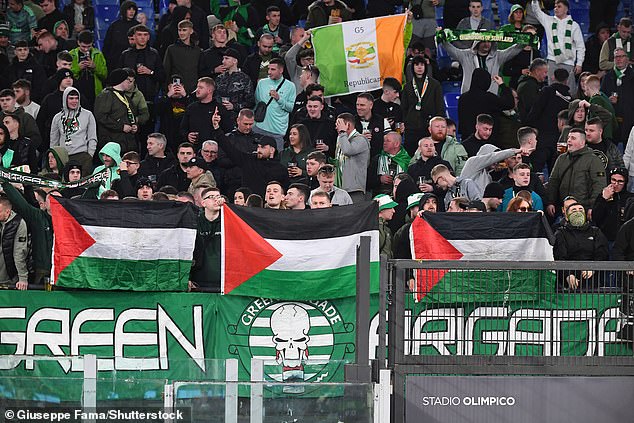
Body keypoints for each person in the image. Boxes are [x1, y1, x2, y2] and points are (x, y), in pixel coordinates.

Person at [211, 109, 288, 196]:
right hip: (234, 184)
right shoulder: (247, 158)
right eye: (245, 124)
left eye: (250, 124)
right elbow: (228, 149)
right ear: (238, 121)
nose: (248, 127)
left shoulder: (279, 168)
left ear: (272, 150)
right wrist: (245, 159)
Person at [528, 0, 585, 94]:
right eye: (555, 6)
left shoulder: (574, 26)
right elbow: (536, 11)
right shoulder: (549, 21)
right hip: (552, 61)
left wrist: (579, 63)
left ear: (566, 9)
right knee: (552, 91)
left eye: (559, 6)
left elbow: (580, 46)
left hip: (568, 62)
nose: (556, 8)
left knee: (569, 91)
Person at [546, 128, 605, 218]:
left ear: (582, 142)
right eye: (568, 138)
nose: (569, 140)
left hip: (583, 209)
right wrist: (550, 202)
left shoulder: (593, 160)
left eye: (573, 138)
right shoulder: (561, 158)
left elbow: (599, 185)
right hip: (563, 209)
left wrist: (592, 207)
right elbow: (553, 181)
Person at [554, 202, 609, 290]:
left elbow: (602, 252)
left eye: (580, 210)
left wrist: (592, 268)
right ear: (566, 216)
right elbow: (559, 256)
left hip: (592, 279)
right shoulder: (561, 233)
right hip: (568, 281)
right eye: (574, 210)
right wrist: (568, 274)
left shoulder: (595, 231)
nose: (577, 212)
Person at [442, 36, 524, 94]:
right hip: (470, 96)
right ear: (477, 42)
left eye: (489, 41)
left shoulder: (497, 56)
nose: (486, 44)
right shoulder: (466, 55)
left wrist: (526, 39)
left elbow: (513, 50)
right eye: (483, 41)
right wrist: (442, 38)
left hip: (490, 96)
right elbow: (451, 50)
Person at [94, 68, 146, 157]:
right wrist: (121, 127)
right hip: (112, 143)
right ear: (121, 80)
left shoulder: (127, 98)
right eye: (128, 80)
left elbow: (131, 115)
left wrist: (134, 126)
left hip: (128, 143)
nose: (130, 83)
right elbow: (101, 117)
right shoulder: (106, 96)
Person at [400, 56, 444, 156]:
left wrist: (436, 125)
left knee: (429, 154)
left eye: (422, 65)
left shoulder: (435, 85)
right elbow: (404, 108)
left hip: (428, 127)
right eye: (416, 65)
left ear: (425, 67)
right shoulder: (407, 86)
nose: (419, 67)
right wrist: (405, 121)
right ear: (412, 67)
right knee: (410, 154)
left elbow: (440, 106)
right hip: (411, 128)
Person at [49, 86, 97, 175]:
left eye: (76, 98)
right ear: (65, 99)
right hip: (63, 157)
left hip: (82, 156)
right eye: (71, 98)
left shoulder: (88, 115)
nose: (74, 101)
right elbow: (54, 140)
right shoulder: (57, 117)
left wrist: (89, 156)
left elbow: (92, 137)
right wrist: (53, 157)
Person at [253, 57, 296, 151]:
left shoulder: (290, 86)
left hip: (277, 130)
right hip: (259, 127)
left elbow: (291, 108)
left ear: (281, 70)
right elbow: (257, 103)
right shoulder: (261, 83)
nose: (269, 72)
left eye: (273, 69)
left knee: (277, 160)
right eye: (268, 69)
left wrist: (279, 98)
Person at [180, 77, 232, 147]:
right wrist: (187, 136)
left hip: (215, 150)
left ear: (209, 90)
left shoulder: (220, 109)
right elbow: (183, 128)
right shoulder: (191, 108)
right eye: (197, 87)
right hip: (195, 149)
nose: (197, 90)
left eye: (201, 88)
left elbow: (228, 130)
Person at [189, 186, 222, 292]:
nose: (216, 199)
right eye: (211, 197)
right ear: (203, 203)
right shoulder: (194, 222)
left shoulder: (228, 221)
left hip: (222, 281)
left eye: (218, 196)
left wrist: (227, 208)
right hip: (199, 280)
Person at [335, 112, 370, 203]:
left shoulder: (361, 139)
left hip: (354, 189)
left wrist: (343, 132)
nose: (336, 127)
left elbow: (348, 151)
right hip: (340, 187)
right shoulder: (341, 139)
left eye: (339, 124)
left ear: (348, 125)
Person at [601, 47, 634, 145]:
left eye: (622, 56)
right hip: (612, 120)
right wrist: (608, 100)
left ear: (627, 59)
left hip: (630, 119)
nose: (619, 59)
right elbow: (601, 96)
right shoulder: (607, 77)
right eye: (616, 57)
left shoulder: (633, 76)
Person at [592, 167, 633, 244]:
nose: (616, 184)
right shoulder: (602, 196)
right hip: (605, 239)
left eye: (620, 181)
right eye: (613, 180)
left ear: (625, 182)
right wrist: (604, 199)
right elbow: (595, 218)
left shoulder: (630, 198)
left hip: (626, 241)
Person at [214, 48, 255, 122]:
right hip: (219, 117)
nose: (223, 61)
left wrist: (234, 106)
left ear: (235, 61)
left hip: (236, 119)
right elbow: (214, 96)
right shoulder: (219, 78)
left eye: (226, 58)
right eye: (223, 58)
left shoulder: (244, 79)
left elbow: (250, 102)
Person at [163, 19, 201, 95]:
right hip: (176, 91)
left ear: (191, 31)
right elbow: (166, 70)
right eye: (179, 30)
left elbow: (200, 71)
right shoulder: (171, 49)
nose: (181, 33)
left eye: (184, 30)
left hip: (193, 91)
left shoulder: (198, 50)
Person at [368, 131, 411, 196]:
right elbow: (368, 180)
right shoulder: (377, 159)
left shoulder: (407, 160)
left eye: (388, 141)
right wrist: (379, 179)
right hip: (380, 197)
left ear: (396, 144)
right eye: (384, 141)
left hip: (401, 197)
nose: (384, 143)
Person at [0, 196, 30, 290]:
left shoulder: (19, 224)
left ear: (7, 212)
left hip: (9, 276)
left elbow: (19, 252)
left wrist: (23, 277)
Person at [0, 89, 41, 153]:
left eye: (8, 99)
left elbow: (36, 138)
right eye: (2, 100)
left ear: (14, 100)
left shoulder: (26, 117)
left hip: (23, 153)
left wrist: (23, 149)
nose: (4, 102)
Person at [102, 1, 139, 69]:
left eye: (133, 9)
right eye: (129, 9)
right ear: (124, 10)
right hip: (115, 61)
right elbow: (107, 44)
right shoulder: (114, 26)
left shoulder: (138, 26)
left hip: (134, 61)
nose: (131, 11)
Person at [517, 58, 549, 123]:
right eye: (545, 72)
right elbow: (532, 107)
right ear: (537, 71)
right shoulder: (528, 86)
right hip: (529, 125)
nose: (546, 75)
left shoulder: (534, 84)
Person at [374, 194, 398, 258]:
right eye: (391, 207)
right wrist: (379, 223)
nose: (394, 211)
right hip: (377, 266)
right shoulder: (371, 227)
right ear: (381, 209)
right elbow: (377, 245)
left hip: (387, 266)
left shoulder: (387, 229)